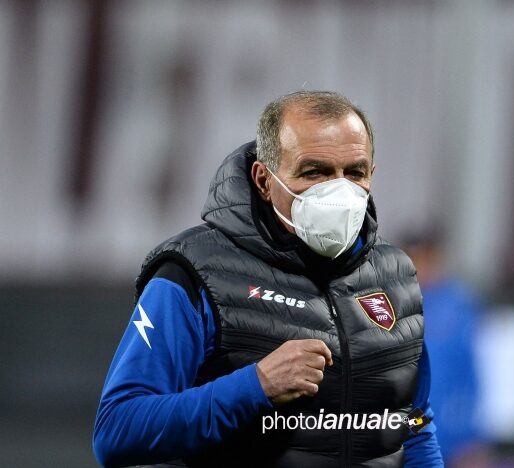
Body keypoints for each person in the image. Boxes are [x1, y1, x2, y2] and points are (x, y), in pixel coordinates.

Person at [93, 91, 444, 467]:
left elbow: (414, 425)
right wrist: (255, 385)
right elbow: (117, 430)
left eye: (355, 172)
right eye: (314, 172)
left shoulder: (395, 275)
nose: (340, 190)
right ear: (263, 179)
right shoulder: (193, 274)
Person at [402, 227, 492, 468]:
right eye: (412, 259)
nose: (418, 267)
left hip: (457, 431)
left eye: (424, 258)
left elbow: (476, 371)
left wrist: (472, 436)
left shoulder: (460, 305)